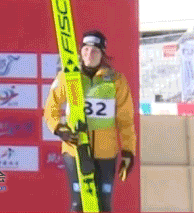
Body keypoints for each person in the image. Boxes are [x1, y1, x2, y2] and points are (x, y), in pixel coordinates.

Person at [43, 30, 137, 212]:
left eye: (95, 51)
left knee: (103, 205)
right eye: (85, 49)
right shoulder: (68, 77)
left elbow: (125, 120)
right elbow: (51, 108)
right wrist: (59, 129)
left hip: (106, 152)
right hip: (75, 149)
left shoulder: (116, 81)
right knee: (78, 204)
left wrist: (128, 151)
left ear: (102, 54)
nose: (89, 54)